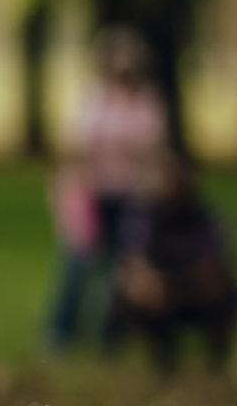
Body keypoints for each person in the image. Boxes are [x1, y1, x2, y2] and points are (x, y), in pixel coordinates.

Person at [44, 27, 168, 352]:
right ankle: (60, 331)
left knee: (125, 264)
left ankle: (111, 333)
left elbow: (150, 148)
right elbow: (74, 145)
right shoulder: (93, 99)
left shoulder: (147, 102)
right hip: (92, 194)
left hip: (131, 193)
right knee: (79, 261)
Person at [106, 157, 237, 373]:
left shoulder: (207, 215)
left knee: (225, 291)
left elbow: (219, 264)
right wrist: (152, 283)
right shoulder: (143, 215)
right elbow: (134, 261)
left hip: (193, 290)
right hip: (159, 294)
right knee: (138, 290)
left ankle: (216, 361)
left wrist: (187, 285)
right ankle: (160, 359)